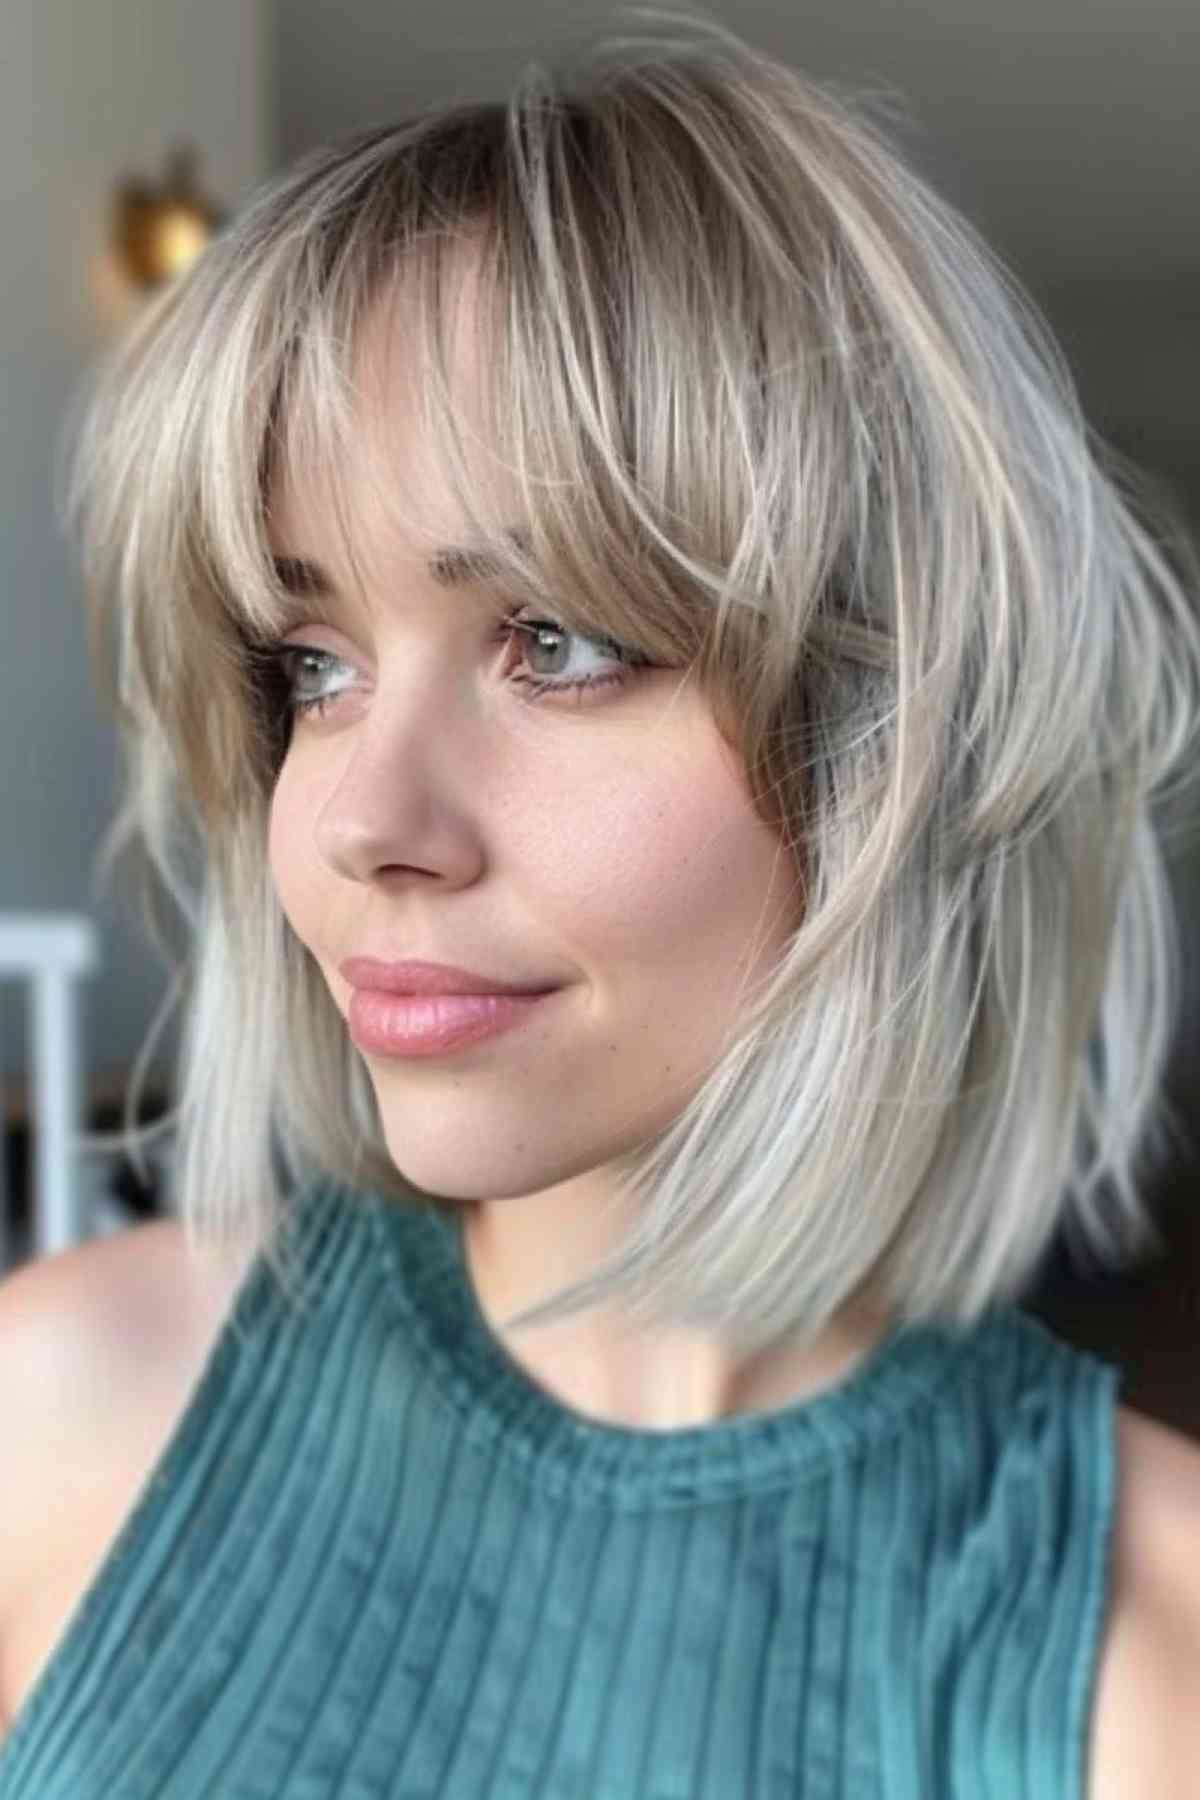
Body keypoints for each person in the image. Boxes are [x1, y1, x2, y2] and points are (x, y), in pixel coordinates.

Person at [1, 18, 1199, 1797]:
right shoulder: (61, 1408)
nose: (360, 822)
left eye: (555, 642)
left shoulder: (1144, 1655)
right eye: (311, 663)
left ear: (888, 736)